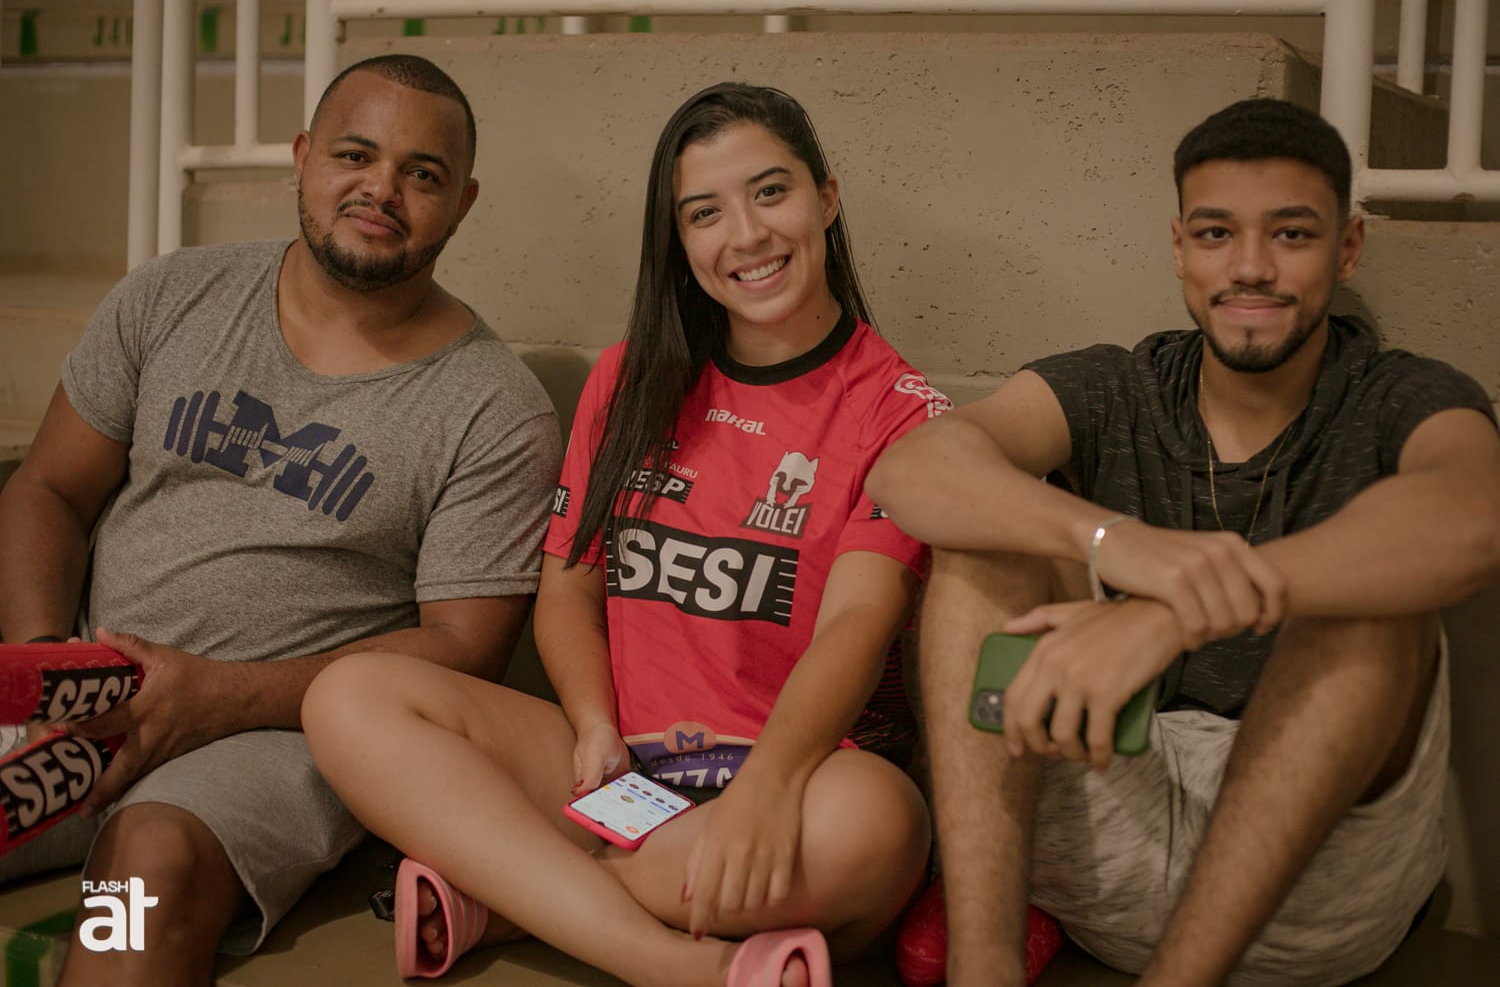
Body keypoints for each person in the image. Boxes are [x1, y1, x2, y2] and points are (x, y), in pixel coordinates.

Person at [303, 82, 943, 985]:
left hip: (799, 778)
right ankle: (676, 963)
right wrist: (594, 723)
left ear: (826, 199)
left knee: (879, 828)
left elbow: (855, 627)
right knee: (349, 697)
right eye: (705, 213)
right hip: (621, 775)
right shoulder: (629, 379)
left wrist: (763, 793)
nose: (747, 235)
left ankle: (516, 896)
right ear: (679, 241)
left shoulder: (902, 412)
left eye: (771, 193)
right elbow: (568, 586)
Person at [866, 97, 1500, 987]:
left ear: (1348, 247)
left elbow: (1474, 517)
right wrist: (1111, 540)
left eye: (1291, 234)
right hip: (1098, 835)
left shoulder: (1404, 396)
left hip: (1310, 889)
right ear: (1179, 247)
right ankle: (984, 968)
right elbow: (912, 471)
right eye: (1215, 234)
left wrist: (1172, 614)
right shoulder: (1118, 385)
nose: (1250, 267)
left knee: (1375, 609)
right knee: (980, 542)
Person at [0, 54, 561, 987]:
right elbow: (49, 490)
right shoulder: (171, 296)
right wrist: (44, 670)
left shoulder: (493, 409)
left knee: (145, 879)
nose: (381, 189)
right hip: (86, 697)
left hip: (274, 743)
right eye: (355, 154)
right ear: (303, 159)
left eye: (422, 174)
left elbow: (463, 651)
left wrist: (216, 697)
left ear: (462, 204)